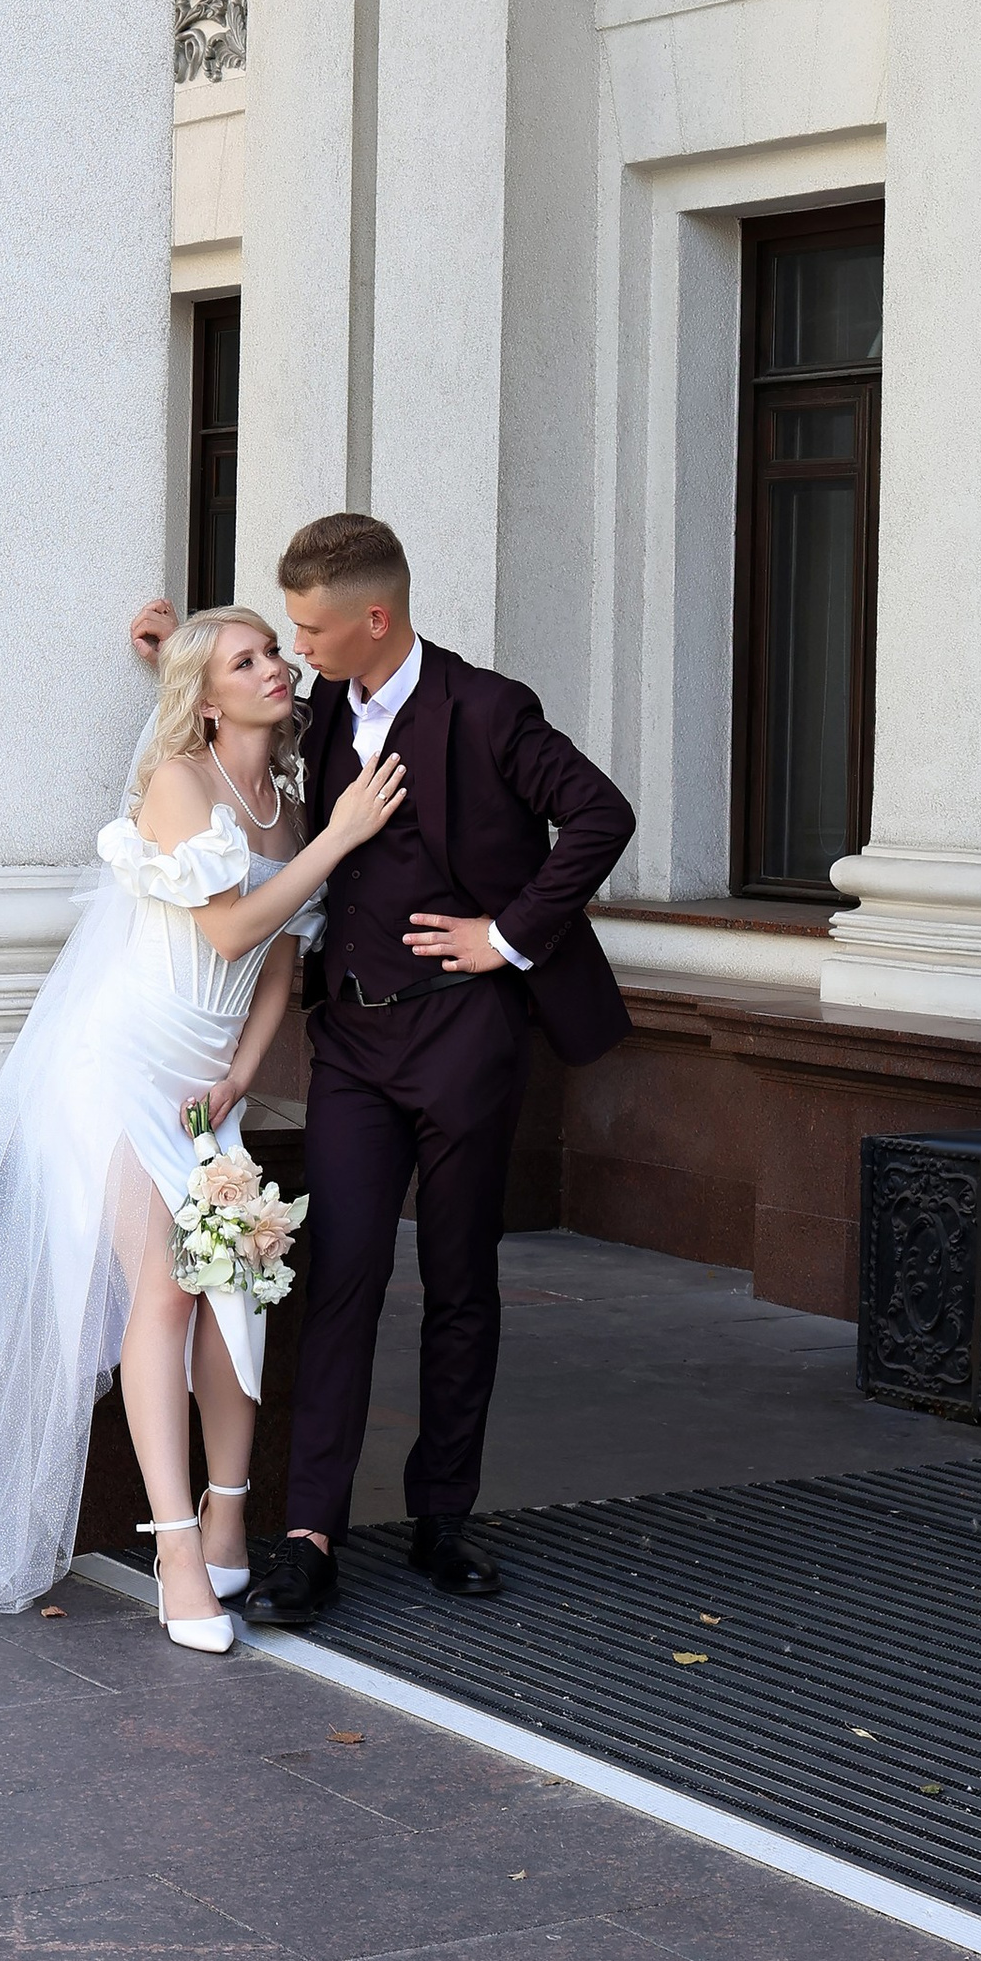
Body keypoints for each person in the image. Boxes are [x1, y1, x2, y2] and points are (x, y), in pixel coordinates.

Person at [138, 511, 635, 1629]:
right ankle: (310, 1533)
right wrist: (168, 645)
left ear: (376, 618)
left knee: (459, 1279)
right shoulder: (315, 711)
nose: (297, 648)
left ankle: (442, 1519)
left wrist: (507, 934)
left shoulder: (489, 708)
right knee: (343, 1275)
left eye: (310, 628)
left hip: (467, 1034)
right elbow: (228, 722)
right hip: (352, 1047)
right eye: (286, 634)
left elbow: (601, 814)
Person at [0, 607, 407, 1647]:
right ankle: (176, 1550)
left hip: (200, 1083)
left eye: (275, 652)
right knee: (174, 1290)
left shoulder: (288, 805)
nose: (274, 669)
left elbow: (278, 960)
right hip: (117, 1068)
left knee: (239, 1296)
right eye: (247, 660)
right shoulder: (184, 783)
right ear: (205, 696)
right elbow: (226, 922)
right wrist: (347, 839)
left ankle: (228, 1522)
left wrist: (243, 1074)